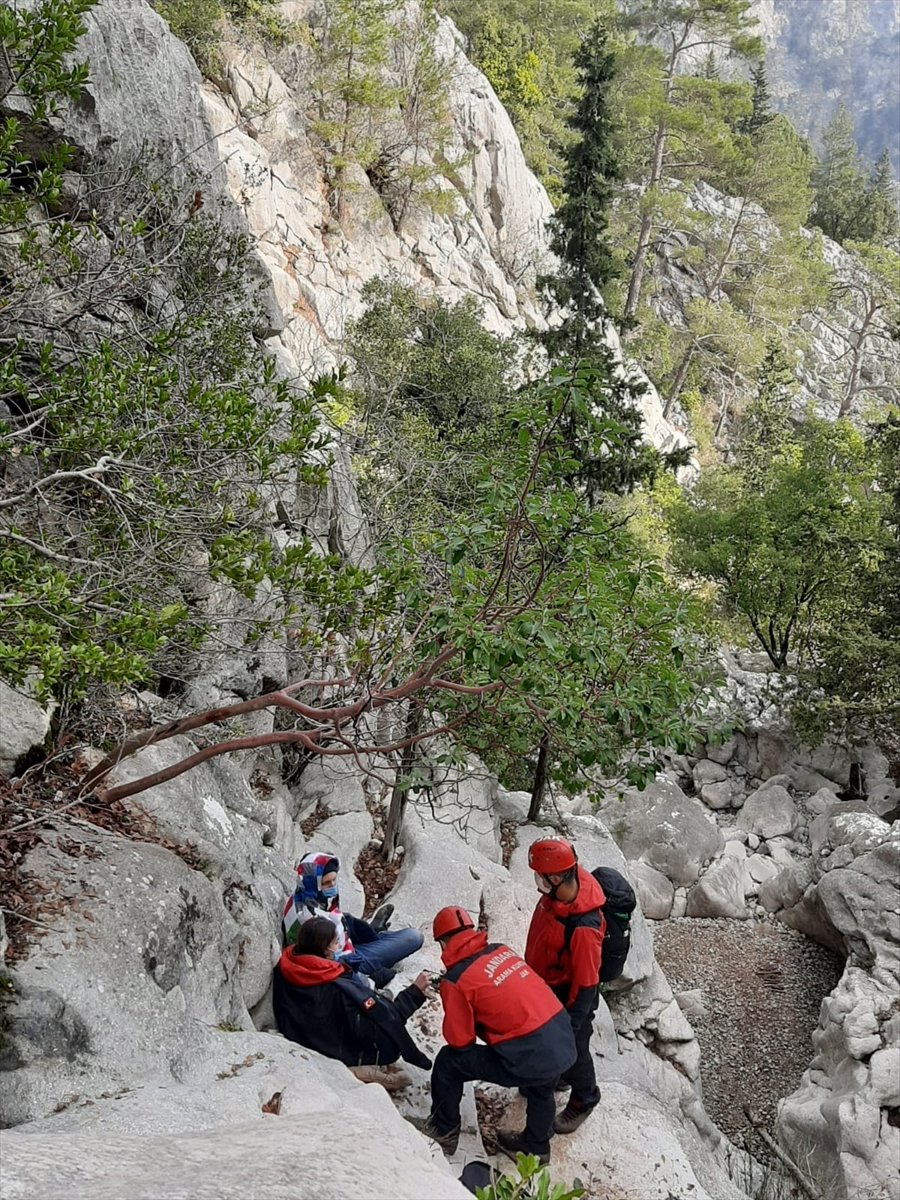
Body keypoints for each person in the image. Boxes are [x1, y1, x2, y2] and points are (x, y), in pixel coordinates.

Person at [417, 905, 576, 1165]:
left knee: (449, 1062)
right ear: (471, 930)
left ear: (443, 943)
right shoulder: (501, 950)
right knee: (541, 1083)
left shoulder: (456, 980)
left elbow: (460, 1041)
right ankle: (537, 1147)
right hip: (562, 1037)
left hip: (532, 1054)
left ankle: (444, 1132)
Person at [273, 915, 433, 1079]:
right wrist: (414, 993)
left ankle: (377, 941)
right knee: (391, 1048)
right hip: (342, 1045)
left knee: (377, 972)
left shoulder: (287, 965)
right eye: (336, 942)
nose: (339, 945)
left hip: (308, 1033)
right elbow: (386, 1021)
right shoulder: (339, 989)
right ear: (326, 950)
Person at [525, 837, 605, 1135]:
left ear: (556, 877)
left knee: (573, 1048)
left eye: (540, 875)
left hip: (571, 995)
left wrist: (571, 1025)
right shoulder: (559, 897)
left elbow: (586, 983)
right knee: (560, 1045)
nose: (537, 881)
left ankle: (585, 1098)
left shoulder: (583, 928)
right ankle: (558, 1074)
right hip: (549, 984)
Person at [282, 850, 422, 988]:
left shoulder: (307, 897)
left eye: (334, 880)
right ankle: (377, 946)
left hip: (344, 945)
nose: (333, 886)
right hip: (348, 963)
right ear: (313, 883)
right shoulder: (309, 920)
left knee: (358, 926)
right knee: (414, 937)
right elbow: (327, 965)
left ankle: (376, 934)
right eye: (326, 883)